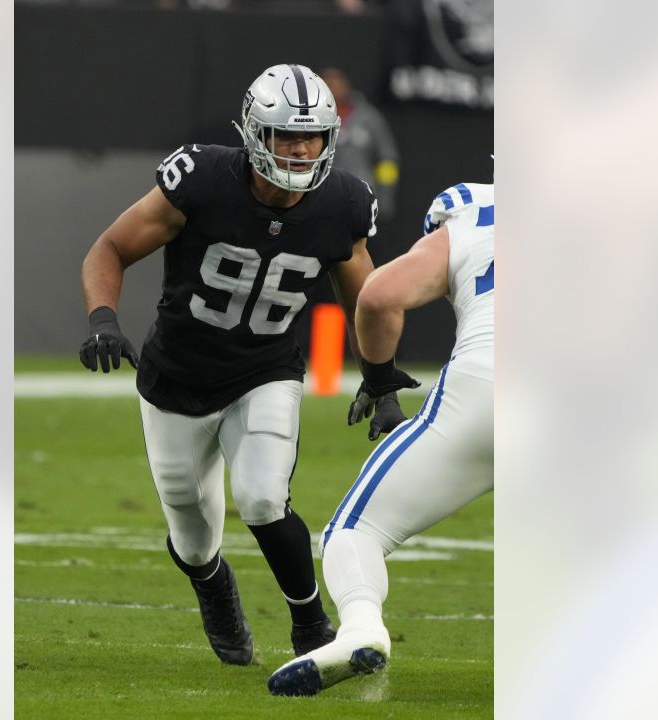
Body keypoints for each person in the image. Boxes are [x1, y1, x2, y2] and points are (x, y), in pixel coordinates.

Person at [78, 63, 415, 666]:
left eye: (311, 136)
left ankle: (310, 623)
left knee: (261, 497)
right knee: (192, 531)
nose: (301, 148)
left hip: (265, 369)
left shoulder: (340, 201)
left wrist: (380, 375)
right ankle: (212, 584)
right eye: (287, 135)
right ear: (256, 132)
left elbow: (364, 295)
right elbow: (109, 247)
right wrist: (104, 316)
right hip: (176, 376)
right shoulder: (202, 179)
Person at [267, 180, 495, 695]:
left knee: (354, 531)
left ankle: (363, 629)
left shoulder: (475, 209)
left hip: (489, 385)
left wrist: (379, 378)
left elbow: (379, 296)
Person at [320, 68, 400, 224]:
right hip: (321, 199)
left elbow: (388, 159)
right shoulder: (311, 117)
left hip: (360, 200)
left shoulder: (369, 118)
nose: (333, 87)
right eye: (328, 83)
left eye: (337, 82)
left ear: (347, 85)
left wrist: (384, 196)